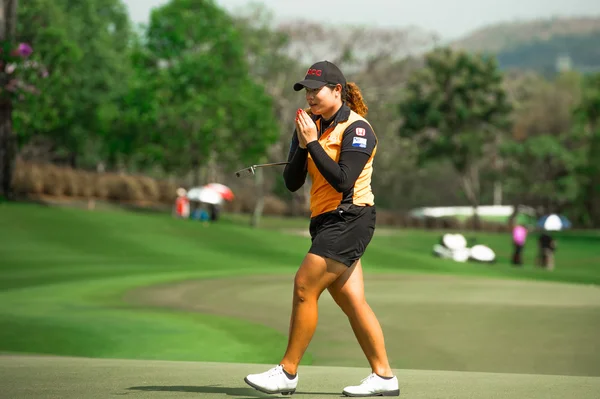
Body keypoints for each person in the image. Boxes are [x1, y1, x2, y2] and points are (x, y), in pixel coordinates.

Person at [244, 61, 399, 397]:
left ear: (337, 91)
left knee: (304, 286)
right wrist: (302, 143)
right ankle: (385, 376)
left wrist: (313, 143)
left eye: (316, 90)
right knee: (352, 301)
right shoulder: (309, 126)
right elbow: (292, 182)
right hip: (325, 220)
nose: (310, 96)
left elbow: (343, 179)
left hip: (351, 216)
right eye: (307, 91)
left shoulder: (358, 130)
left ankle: (287, 372)